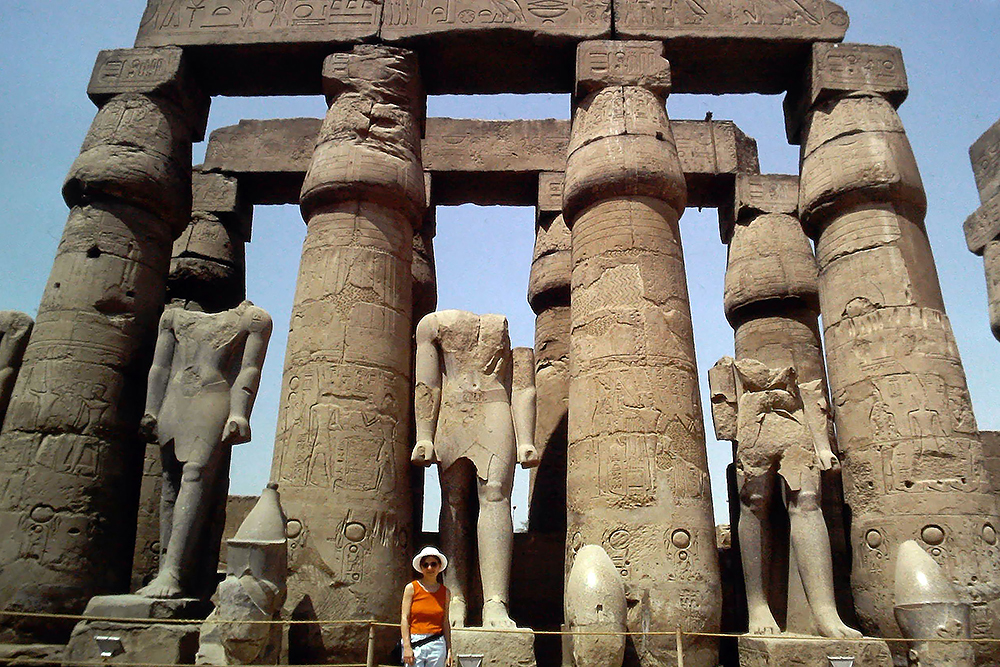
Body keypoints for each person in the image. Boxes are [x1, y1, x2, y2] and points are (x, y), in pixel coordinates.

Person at [411, 310, 538, 628]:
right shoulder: (432, 326)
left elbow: (522, 387)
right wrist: (424, 435)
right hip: (453, 408)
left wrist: (526, 440)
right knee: (453, 500)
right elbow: (427, 384)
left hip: (495, 407)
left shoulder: (499, 332)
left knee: (495, 496)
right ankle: (455, 599)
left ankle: (495, 603)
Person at [401, 546, 453, 667]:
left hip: (437, 643)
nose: (430, 568)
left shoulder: (445, 592)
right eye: (426, 565)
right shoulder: (411, 588)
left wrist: (449, 649)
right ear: (421, 568)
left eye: (433, 564)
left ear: (439, 566)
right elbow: (404, 618)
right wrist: (407, 646)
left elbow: (445, 622)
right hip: (415, 642)